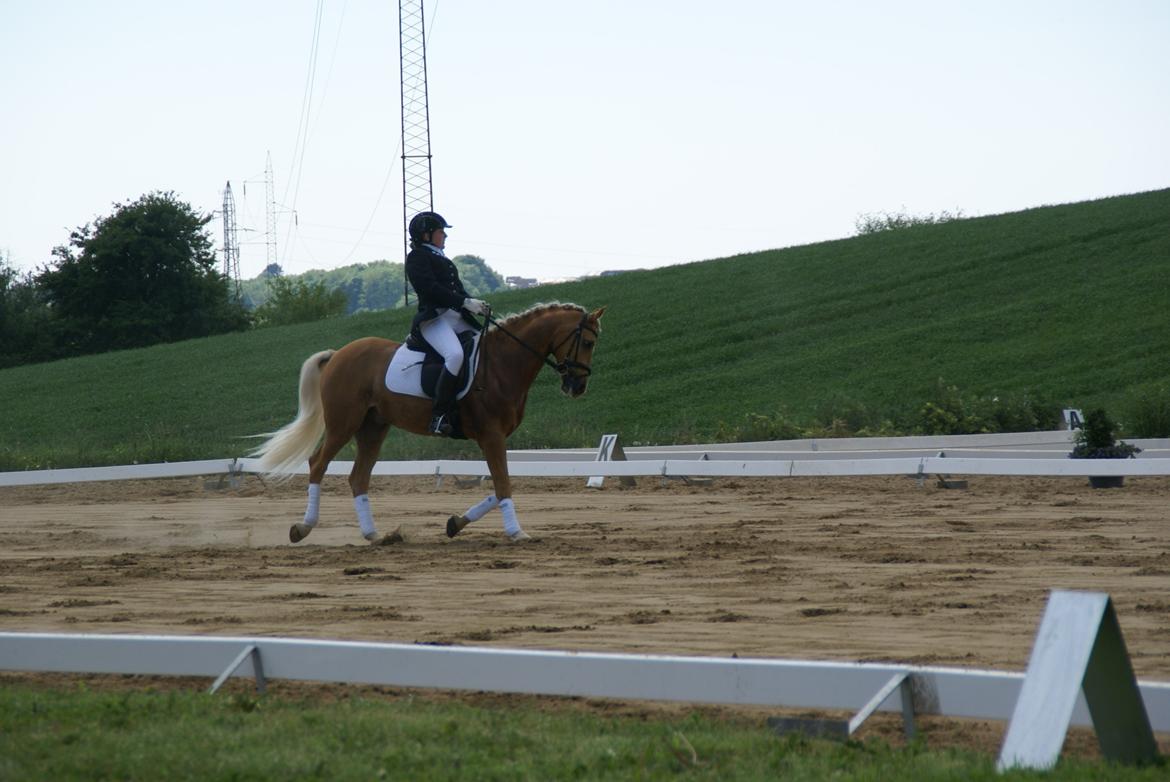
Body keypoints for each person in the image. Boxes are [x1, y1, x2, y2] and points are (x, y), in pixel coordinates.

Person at [404, 211, 490, 436]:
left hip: (455, 317)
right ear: (426, 235)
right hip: (434, 319)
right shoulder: (417, 258)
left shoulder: (442, 258)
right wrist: (464, 302)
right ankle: (440, 415)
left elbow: (456, 290)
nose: (445, 236)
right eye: (441, 232)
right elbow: (430, 289)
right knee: (455, 355)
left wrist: (475, 305)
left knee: (488, 344)